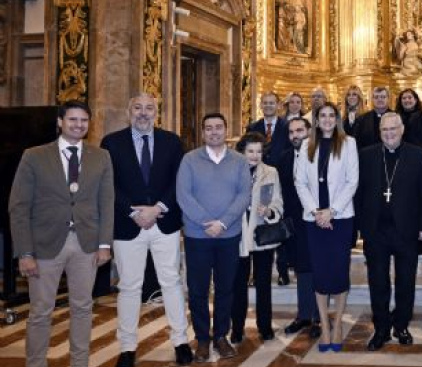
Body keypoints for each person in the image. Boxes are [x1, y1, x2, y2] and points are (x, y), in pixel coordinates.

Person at [9, 100, 115, 367]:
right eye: (72, 120)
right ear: (60, 122)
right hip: (44, 246)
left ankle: (80, 363)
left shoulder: (100, 156)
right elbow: (19, 207)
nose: (79, 125)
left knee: (82, 309)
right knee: (40, 312)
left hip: (86, 245)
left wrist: (104, 244)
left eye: (83, 121)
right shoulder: (34, 156)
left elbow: (106, 203)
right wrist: (25, 252)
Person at [100, 93, 192, 367]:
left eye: (149, 108)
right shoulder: (111, 143)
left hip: (165, 223)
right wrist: (134, 211)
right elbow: (108, 184)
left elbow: (180, 179)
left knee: (171, 283)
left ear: (157, 112)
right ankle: (127, 347)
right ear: (129, 112)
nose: (143, 113)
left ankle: (181, 341)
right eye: (137, 108)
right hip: (127, 224)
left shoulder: (172, 141)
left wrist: (158, 208)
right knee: (129, 287)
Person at [176, 113, 251, 361]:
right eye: (209, 128)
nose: (214, 132)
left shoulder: (239, 161)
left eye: (219, 127)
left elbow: (244, 195)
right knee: (197, 290)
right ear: (203, 132)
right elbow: (183, 195)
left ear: (226, 130)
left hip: (228, 235)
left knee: (225, 288)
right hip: (198, 236)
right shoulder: (189, 160)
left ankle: (220, 335)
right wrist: (206, 222)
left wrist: (223, 222)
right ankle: (202, 339)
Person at [355, 113, 422, 351]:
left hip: (406, 230)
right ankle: (381, 328)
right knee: (377, 281)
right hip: (376, 230)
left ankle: (401, 324)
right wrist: (360, 226)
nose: (389, 133)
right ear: (380, 132)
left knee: (405, 281)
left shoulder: (417, 154)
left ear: (402, 129)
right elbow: (359, 193)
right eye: (385, 130)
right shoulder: (367, 155)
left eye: (393, 129)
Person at [295, 103, 359, 352]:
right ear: (316, 119)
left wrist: (331, 211)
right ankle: (323, 324)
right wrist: (316, 211)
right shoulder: (305, 145)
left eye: (332, 115)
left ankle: (338, 324)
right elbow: (300, 182)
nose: (328, 119)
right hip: (314, 219)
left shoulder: (349, 143)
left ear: (337, 119)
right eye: (323, 115)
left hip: (340, 218)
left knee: (339, 271)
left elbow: (352, 181)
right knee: (320, 273)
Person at [231, 132, 285, 343]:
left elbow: (278, 202)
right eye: (250, 151)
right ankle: (237, 328)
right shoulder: (233, 171)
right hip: (239, 235)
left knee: (264, 283)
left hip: (262, 234)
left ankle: (265, 326)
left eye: (259, 151)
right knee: (238, 284)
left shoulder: (271, 172)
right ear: (242, 152)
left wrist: (270, 211)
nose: (254, 156)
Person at [279, 118, 322, 338]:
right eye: (291, 132)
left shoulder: (319, 155)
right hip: (293, 223)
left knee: (315, 268)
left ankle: (318, 316)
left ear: (309, 132)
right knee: (300, 268)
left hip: (315, 220)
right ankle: (303, 315)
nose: (295, 135)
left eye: (299, 130)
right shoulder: (284, 157)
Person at [246, 92, 289, 167]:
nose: (268, 105)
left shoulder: (287, 127)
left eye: (271, 103)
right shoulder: (252, 128)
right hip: (259, 173)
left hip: (282, 174)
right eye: (265, 103)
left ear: (278, 105)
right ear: (261, 105)